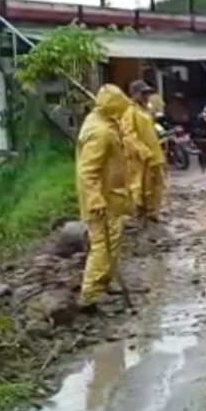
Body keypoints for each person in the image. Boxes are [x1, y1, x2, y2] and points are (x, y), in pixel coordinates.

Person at [76, 84, 134, 309]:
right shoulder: (100, 132)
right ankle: (90, 292)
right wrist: (95, 199)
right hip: (103, 200)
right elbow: (88, 170)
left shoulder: (101, 121)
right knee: (103, 244)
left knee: (111, 241)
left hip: (110, 195)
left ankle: (104, 282)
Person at [120, 80, 166, 223]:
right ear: (134, 94)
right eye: (143, 93)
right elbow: (129, 135)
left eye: (147, 93)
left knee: (157, 184)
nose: (146, 96)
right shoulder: (130, 111)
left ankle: (153, 212)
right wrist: (143, 151)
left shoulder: (145, 110)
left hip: (155, 155)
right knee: (141, 186)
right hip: (141, 158)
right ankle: (141, 214)